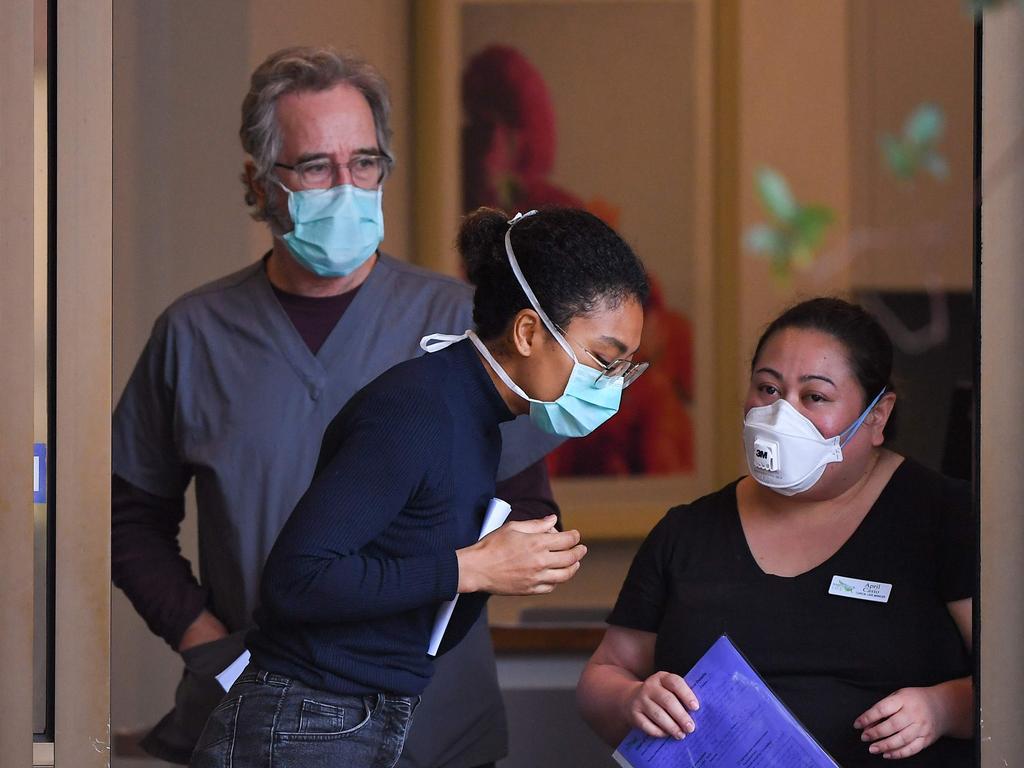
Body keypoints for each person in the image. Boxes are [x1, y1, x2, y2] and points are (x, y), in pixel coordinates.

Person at [111, 47, 564, 768]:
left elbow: (526, 518)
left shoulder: (466, 323)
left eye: (365, 162)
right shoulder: (194, 335)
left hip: (435, 726)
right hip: (260, 716)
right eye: (316, 167)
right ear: (260, 184)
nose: (347, 186)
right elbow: (126, 517)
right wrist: (209, 647)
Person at [189, 205, 650, 767]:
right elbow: (296, 579)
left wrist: (505, 568)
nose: (611, 387)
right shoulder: (418, 409)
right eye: (603, 361)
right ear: (529, 331)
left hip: (356, 716)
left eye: (624, 369)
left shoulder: (477, 421)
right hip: (305, 720)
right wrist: (472, 567)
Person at [577, 297, 974, 767]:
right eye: (767, 389)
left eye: (815, 396)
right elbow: (607, 671)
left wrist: (944, 708)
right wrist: (631, 700)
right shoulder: (688, 531)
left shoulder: (944, 517)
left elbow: (1010, 678)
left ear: (877, 416)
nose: (783, 415)